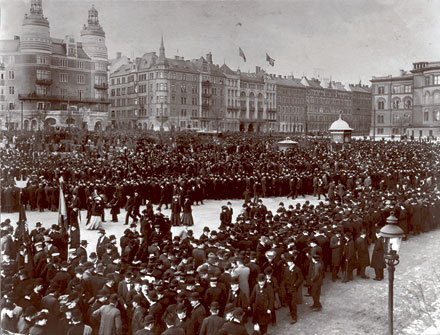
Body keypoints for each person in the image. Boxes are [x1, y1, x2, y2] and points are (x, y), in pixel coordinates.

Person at [282, 254, 304, 324]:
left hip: (293, 289)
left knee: (293, 303)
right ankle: (291, 311)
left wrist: (295, 284)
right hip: (287, 288)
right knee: (289, 301)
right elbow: (284, 277)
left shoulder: (297, 269)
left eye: (288, 261)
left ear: (292, 262)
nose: (287, 262)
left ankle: (294, 317)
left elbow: (301, 278)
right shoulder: (286, 268)